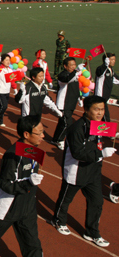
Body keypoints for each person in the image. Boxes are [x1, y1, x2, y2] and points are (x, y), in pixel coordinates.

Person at [51, 96, 116, 247]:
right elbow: (77, 153)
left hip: (93, 171)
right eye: (96, 109)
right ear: (86, 110)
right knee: (66, 199)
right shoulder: (77, 129)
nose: (100, 113)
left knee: (97, 202)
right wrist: (101, 154)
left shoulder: (99, 125)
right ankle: (58, 220)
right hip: (76, 170)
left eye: (102, 109)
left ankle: (91, 232)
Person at [0, 115, 45, 257]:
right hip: (10, 205)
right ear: (26, 134)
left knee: (32, 241)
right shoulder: (12, 155)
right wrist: (29, 182)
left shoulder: (34, 150)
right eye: (39, 133)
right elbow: (5, 184)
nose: (43, 136)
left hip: (28, 204)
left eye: (42, 132)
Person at [51, 57, 85, 150]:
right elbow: (67, 80)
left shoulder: (74, 75)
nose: (73, 67)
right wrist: (77, 71)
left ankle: (55, 139)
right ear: (65, 66)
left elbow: (76, 87)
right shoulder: (63, 75)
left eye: (74, 65)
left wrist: (79, 98)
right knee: (67, 123)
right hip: (63, 104)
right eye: (71, 65)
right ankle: (59, 140)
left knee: (62, 123)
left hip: (71, 103)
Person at [0, 54, 17, 127]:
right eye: (6, 60)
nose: (8, 61)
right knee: (4, 106)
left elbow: (12, 80)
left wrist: (15, 88)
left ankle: (1, 120)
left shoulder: (10, 70)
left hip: (7, 91)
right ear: (2, 61)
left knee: (3, 106)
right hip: (0, 90)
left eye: (9, 60)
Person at [94, 53, 119, 124]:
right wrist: (105, 65)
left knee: (98, 117)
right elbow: (99, 73)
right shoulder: (101, 69)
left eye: (114, 59)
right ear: (106, 60)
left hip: (104, 99)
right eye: (112, 59)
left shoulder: (111, 70)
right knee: (105, 118)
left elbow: (116, 80)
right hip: (99, 98)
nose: (114, 61)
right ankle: (106, 134)